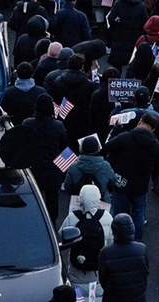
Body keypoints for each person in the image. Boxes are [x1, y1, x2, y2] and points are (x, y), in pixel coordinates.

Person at [107, 111, 159, 240]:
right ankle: (136, 240)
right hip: (141, 185)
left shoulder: (125, 137)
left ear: (140, 122)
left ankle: (118, 239)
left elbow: (108, 146)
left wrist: (115, 131)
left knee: (119, 213)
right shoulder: (155, 144)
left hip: (121, 182)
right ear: (153, 129)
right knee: (138, 215)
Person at [22, 92, 69, 222]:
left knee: (33, 197)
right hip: (52, 170)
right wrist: (63, 172)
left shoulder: (27, 123)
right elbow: (64, 148)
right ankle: (52, 223)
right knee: (52, 199)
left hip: (33, 168)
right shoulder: (58, 126)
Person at [61, 184, 113, 296]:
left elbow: (62, 234)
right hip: (97, 272)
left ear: (81, 198)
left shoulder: (72, 217)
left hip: (76, 271)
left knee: (78, 296)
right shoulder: (107, 217)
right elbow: (110, 242)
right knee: (96, 296)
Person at [97, 213, 148, 302]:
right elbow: (145, 271)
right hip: (138, 297)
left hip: (114, 297)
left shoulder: (105, 252)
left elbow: (103, 278)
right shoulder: (142, 249)